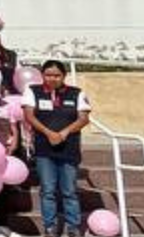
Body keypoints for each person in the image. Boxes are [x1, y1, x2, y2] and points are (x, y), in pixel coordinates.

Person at [23, 61, 91, 237]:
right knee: (48, 190)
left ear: (64, 75)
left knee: (69, 190)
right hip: (45, 150)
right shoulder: (33, 91)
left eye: (56, 75)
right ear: (42, 75)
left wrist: (64, 133)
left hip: (69, 149)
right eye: (48, 75)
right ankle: (50, 227)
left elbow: (83, 118)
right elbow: (29, 116)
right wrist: (49, 133)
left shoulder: (77, 93)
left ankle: (73, 227)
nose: (52, 78)